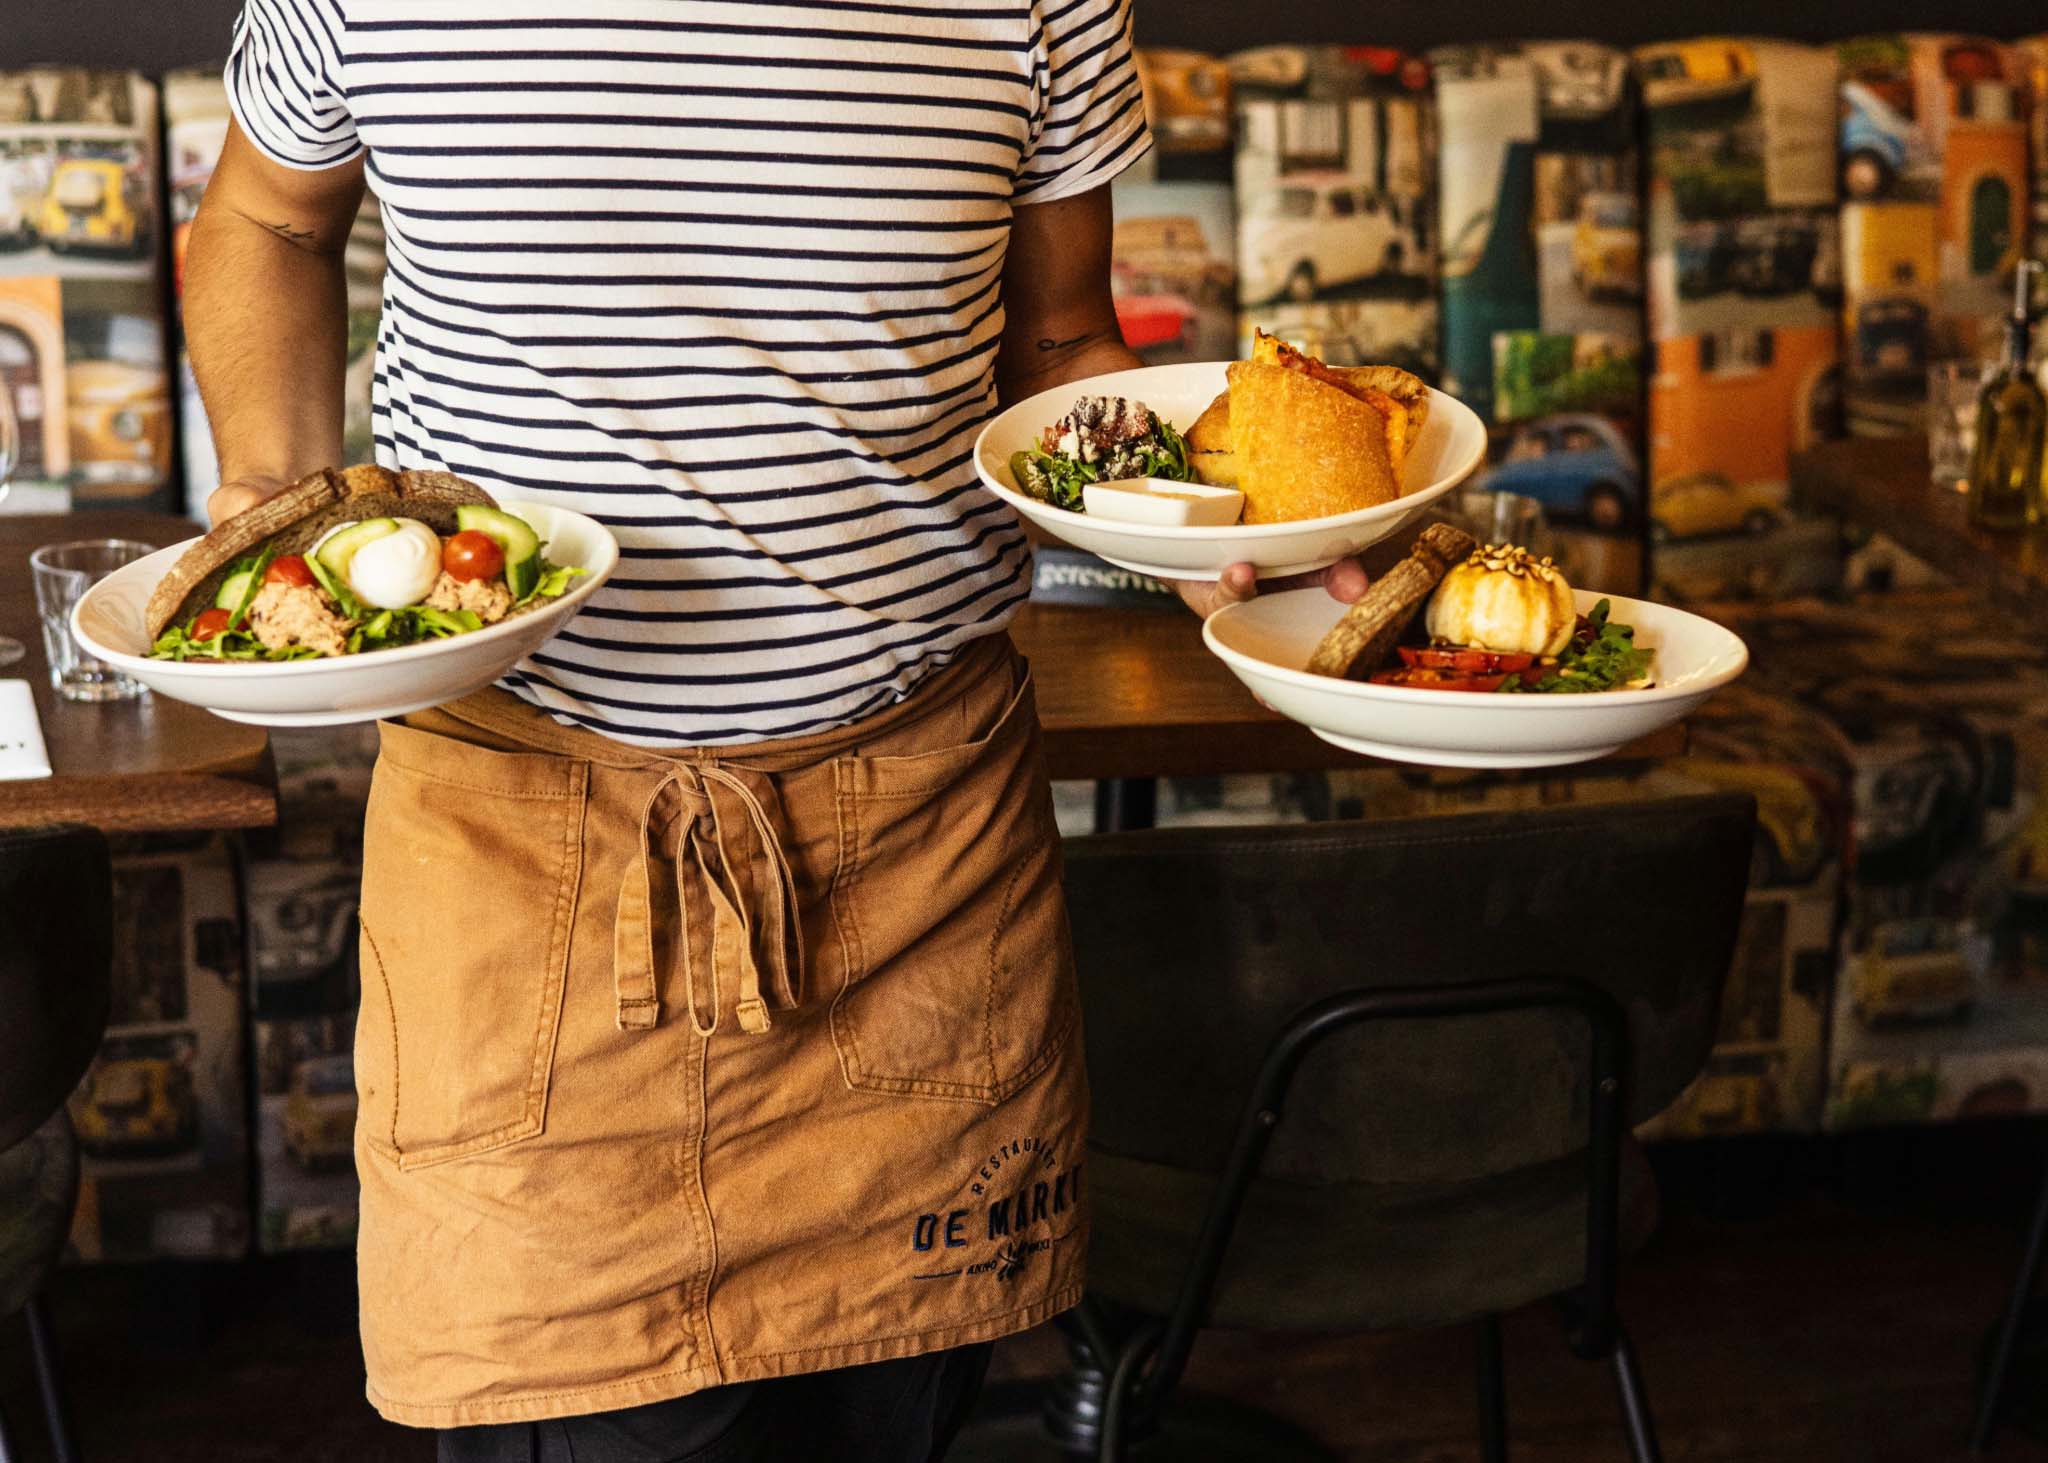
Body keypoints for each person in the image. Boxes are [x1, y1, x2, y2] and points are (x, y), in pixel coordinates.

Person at [185, 4, 1365, 1459]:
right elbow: (267, 218)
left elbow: (1061, 338)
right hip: (525, 852)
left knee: (891, 1415)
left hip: (920, 842)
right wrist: (269, 484)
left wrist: (1235, 519)